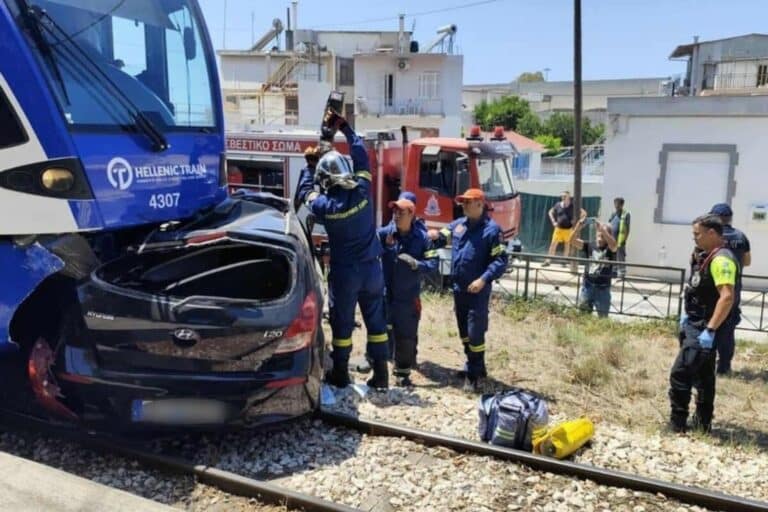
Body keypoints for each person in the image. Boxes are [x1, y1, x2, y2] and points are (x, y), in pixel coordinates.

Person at [296, 110, 390, 390]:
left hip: (345, 273)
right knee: (376, 323)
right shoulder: (363, 189)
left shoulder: (325, 206)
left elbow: (305, 194)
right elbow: (361, 156)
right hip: (373, 268)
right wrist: (346, 129)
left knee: (343, 324)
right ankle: (382, 374)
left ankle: (341, 373)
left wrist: (310, 165)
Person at [430, 188, 509, 391]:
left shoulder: (492, 230)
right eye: (463, 202)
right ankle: (476, 365)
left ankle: (473, 376)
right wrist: (431, 235)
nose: (463, 205)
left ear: (480, 204)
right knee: (464, 333)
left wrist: (483, 280)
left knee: (475, 333)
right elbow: (441, 238)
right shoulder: (458, 226)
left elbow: (500, 261)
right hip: (459, 288)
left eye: (468, 202)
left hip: (477, 292)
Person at [669, 214, 737, 433]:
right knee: (704, 376)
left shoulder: (721, 260)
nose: (694, 238)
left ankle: (677, 423)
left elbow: (727, 297)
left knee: (680, 373)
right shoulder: (705, 255)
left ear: (712, 233)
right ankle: (702, 423)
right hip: (695, 322)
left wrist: (709, 330)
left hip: (704, 327)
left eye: (697, 234)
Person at [376, 194, 439, 386]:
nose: (395, 215)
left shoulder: (422, 238)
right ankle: (378, 369)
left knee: (406, 336)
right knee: (381, 332)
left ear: (411, 214)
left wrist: (416, 264)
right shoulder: (385, 233)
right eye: (394, 211)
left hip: (408, 297)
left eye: (400, 212)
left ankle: (402, 374)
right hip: (386, 295)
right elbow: (369, 248)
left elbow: (434, 262)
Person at [708, 203, 750, 375]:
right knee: (728, 327)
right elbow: (747, 261)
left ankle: (705, 364)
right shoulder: (741, 236)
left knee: (710, 323)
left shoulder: (712, 235)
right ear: (730, 218)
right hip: (733, 288)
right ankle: (724, 366)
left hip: (712, 288)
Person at [569, 219, 618, 318]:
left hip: (603, 289)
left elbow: (614, 245)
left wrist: (603, 230)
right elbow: (572, 241)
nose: (600, 238)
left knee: (603, 319)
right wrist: (578, 227)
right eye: (598, 235)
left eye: (603, 236)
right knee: (582, 317)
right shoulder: (589, 245)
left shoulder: (610, 249)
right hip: (588, 287)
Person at [542, 191, 586, 267]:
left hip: (568, 229)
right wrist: (553, 221)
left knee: (567, 245)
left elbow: (584, 213)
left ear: (569, 197)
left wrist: (579, 221)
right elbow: (550, 212)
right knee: (553, 244)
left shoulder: (573, 206)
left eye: (565, 196)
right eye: (562, 196)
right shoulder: (558, 205)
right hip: (558, 229)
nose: (563, 197)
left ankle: (564, 262)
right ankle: (548, 261)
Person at [608, 197, 630, 278]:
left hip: (621, 239)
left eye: (618, 203)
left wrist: (625, 239)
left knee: (621, 256)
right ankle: (613, 273)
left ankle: (622, 274)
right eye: (615, 203)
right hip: (612, 238)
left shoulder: (626, 214)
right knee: (613, 255)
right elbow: (609, 224)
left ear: (622, 204)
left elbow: (628, 229)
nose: (616, 205)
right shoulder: (613, 214)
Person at [293, 146, 319, 212]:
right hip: (306, 199)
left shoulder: (307, 168)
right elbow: (305, 190)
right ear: (311, 161)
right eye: (317, 160)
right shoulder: (309, 171)